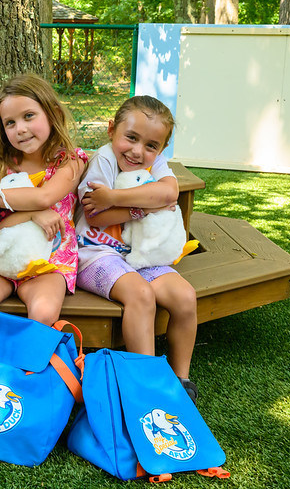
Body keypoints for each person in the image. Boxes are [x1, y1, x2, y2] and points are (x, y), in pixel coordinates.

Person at [75, 95, 198, 401]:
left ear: (160, 148)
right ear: (111, 130)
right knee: (141, 296)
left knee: (185, 296)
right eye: (131, 138)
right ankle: (145, 384)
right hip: (95, 252)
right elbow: (96, 216)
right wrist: (146, 206)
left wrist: (115, 199)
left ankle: (181, 379)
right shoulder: (102, 160)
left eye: (151, 145)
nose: (138, 151)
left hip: (141, 254)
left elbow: (169, 192)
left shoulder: (156, 162)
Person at [0, 74, 87, 326]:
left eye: (29, 116)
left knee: (43, 312)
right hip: (1, 257)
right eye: (10, 122)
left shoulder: (69, 161)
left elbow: (45, 196)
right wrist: (31, 215)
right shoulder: (1, 165)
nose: (20, 128)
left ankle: (28, 363)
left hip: (49, 261)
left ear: (53, 114)